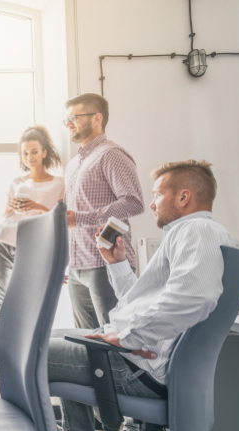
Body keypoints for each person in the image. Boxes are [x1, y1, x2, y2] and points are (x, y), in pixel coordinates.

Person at [50, 160, 233, 431]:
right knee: (51, 337)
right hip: (136, 358)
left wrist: (125, 337)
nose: (151, 204)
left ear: (183, 197)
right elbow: (141, 305)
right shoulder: (187, 234)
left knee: (29, 354)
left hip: (136, 367)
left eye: (158, 194)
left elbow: (195, 297)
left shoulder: (197, 231)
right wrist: (118, 263)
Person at [63, 93, 145, 329]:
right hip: (77, 269)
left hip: (107, 264)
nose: (68, 124)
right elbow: (69, 219)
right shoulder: (72, 165)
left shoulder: (112, 154)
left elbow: (134, 202)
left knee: (117, 339)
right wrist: (67, 261)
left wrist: (81, 218)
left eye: (73, 117)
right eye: (66, 120)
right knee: (86, 342)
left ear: (97, 118)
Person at [0, 125, 64, 317]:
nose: (29, 157)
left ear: (44, 153)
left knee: (30, 301)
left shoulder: (59, 183)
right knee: (2, 301)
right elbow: (6, 213)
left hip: (31, 245)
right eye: (25, 153)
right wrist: (13, 205)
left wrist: (36, 206)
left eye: (34, 152)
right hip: (2, 240)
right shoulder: (17, 181)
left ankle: (26, 346)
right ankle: (3, 348)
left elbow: (60, 219)